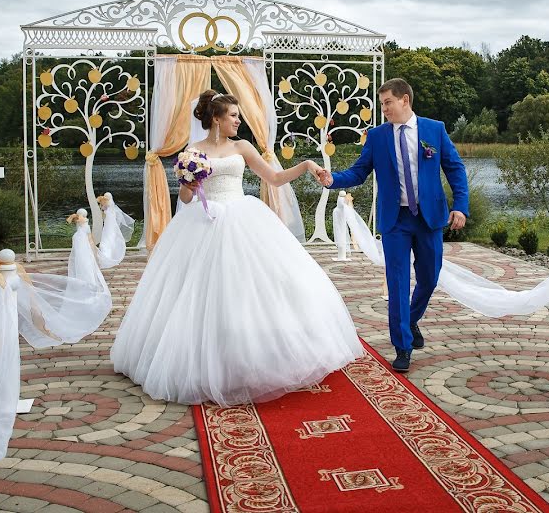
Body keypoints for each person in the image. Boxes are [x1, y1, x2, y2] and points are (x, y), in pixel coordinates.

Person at [111, 90, 364, 406]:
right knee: (200, 292)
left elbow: (273, 177)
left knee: (255, 289)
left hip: (242, 218)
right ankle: (207, 358)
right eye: (233, 115)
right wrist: (188, 187)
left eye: (238, 115)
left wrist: (307, 165)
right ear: (216, 118)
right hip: (203, 222)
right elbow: (187, 199)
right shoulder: (194, 151)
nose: (238, 120)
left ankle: (259, 352)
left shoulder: (242, 147)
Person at [318, 78, 468, 372]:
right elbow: (360, 172)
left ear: (405, 101)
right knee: (397, 283)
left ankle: (410, 321)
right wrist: (333, 179)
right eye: (382, 103)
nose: (383, 108)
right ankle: (402, 346)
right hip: (395, 220)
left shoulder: (434, 130)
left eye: (387, 102)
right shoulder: (377, 137)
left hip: (429, 219)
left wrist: (460, 206)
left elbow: (454, 168)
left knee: (429, 278)